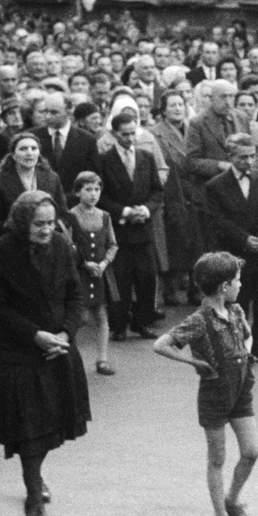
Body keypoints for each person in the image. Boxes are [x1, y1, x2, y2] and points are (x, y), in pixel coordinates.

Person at [0, 189, 90, 516]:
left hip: (59, 346)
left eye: (49, 222)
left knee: (51, 423)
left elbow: (75, 293)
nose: (45, 230)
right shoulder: (0, 252)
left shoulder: (60, 245)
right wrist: (35, 335)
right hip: (21, 349)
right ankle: (32, 495)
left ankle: (35, 476)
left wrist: (67, 334)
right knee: (29, 429)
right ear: (21, 222)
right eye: (37, 224)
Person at [153, 252, 258, 516]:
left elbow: (248, 336)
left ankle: (232, 500)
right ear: (225, 286)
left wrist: (245, 349)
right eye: (237, 280)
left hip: (241, 390)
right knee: (217, 458)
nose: (240, 285)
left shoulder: (236, 312)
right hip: (214, 394)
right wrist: (193, 363)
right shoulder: (199, 320)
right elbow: (161, 345)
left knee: (251, 451)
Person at [202, 134, 258, 364]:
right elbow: (216, 220)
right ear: (231, 157)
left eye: (252, 156)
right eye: (243, 157)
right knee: (238, 302)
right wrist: (243, 239)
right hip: (235, 252)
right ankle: (237, 345)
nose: (249, 161)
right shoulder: (215, 186)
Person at [98, 110, 164, 342]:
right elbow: (101, 196)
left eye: (132, 133)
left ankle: (142, 322)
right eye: (124, 134)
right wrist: (124, 212)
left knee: (147, 277)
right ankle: (119, 325)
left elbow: (157, 190)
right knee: (121, 279)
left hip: (143, 227)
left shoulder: (146, 157)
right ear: (114, 134)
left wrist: (146, 209)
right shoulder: (105, 160)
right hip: (120, 229)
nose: (129, 138)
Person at [67, 172, 118, 375]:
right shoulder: (71, 216)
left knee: (101, 315)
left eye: (97, 189)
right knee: (78, 317)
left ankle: (102, 359)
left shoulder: (105, 216)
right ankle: (71, 358)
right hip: (79, 273)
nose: (93, 194)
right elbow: (68, 245)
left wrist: (104, 263)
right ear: (78, 192)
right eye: (88, 189)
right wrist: (84, 263)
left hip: (100, 274)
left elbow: (113, 244)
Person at [150, 88, 196, 306]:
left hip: (195, 188)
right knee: (172, 240)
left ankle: (196, 287)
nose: (178, 109)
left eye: (181, 104)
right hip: (171, 190)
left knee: (196, 241)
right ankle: (169, 288)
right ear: (163, 110)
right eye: (173, 105)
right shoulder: (155, 133)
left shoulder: (193, 129)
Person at [0, 131, 68, 241]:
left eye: (33, 148)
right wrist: (23, 231)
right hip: (13, 243)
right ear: (13, 155)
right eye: (23, 149)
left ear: (39, 153)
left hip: (47, 242)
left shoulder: (52, 178)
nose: (29, 153)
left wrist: (48, 229)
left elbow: (65, 216)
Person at [32, 92, 100, 191]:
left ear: (69, 111)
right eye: (45, 111)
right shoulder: (33, 136)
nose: (47, 117)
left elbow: (93, 177)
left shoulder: (86, 140)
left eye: (54, 112)